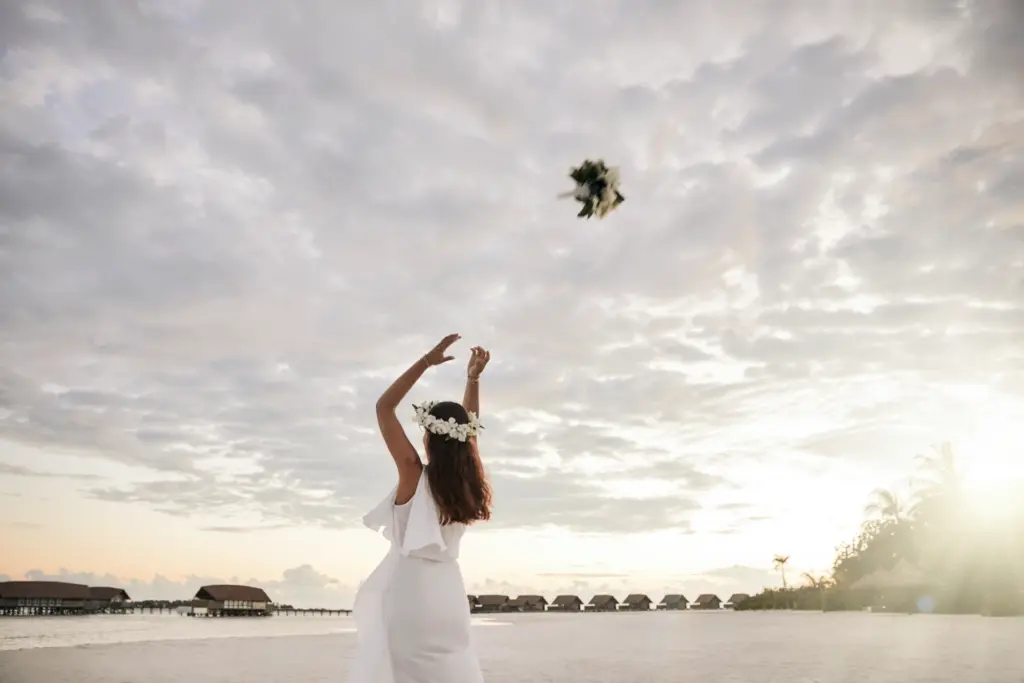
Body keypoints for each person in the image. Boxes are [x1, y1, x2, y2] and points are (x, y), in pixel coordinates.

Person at [350, 334, 492, 683]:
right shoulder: (465, 485)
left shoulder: (413, 474)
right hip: (449, 598)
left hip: (411, 595)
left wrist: (426, 362)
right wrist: (472, 380)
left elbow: (384, 407)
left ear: (428, 437)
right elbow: (468, 434)